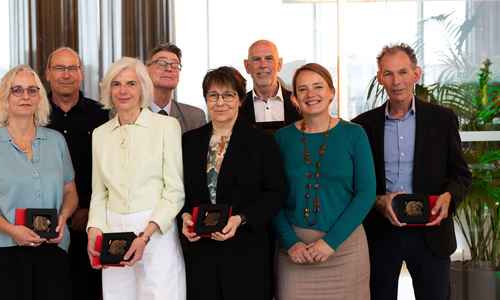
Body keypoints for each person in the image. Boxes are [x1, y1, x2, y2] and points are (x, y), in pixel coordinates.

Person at [352, 43, 471, 300]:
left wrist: (448, 198)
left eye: (403, 72)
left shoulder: (443, 119)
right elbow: (354, 183)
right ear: (379, 77)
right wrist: (377, 201)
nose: (396, 81)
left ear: (416, 74)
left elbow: (461, 175)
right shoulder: (362, 126)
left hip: (432, 233)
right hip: (381, 233)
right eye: (389, 73)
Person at [0, 64, 78, 299]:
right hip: (1, 248)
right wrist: (12, 231)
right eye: (17, 90)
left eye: (32, 90)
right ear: (4, 98)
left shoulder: (56, 141)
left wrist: (63, 217)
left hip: (52, 245)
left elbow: (70, 192)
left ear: (40, 97)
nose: (25, 96)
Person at [180, 66, 285, 300]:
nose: (220, 102)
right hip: (200, 254)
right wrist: (185, 216)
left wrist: (241, 219)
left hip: (246, 251)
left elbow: (276, 193)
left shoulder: (262, 142)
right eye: (213, 95)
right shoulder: (189, 142)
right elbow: (179, 191)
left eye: (228, 95)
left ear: (239, 99)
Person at [273, 63, 376, 299]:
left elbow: (366, 193)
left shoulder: (355, 134)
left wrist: (330, 242)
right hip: (294, 253)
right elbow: (272, 195)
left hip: (345, 248)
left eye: (318, 86)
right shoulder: (282, 138)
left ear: (332, 92)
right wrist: (290, 243)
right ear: (295, 98)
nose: (311, 94)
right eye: (303, 89)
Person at [86, 57, 186, 300]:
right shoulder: (99, 134)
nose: (123, 90)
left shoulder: (166, 126)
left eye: (131, 83)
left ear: (143, 88)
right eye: (116, 84)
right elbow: (99, 193)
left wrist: (145, 235)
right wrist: (94, 231)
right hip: (112, 233)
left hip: (155, 230)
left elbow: (174, 192)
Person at [44, 46, 108, 300]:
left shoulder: (101, 115)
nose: (66, 74)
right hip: (45, 226)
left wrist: (89, 209)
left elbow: (109, 169)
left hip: (90, 223)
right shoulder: (35, 115)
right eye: (60, 68)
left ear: (81, 74)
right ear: (48, 74)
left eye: (72, 68)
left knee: (88, 291)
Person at [239, 39, 300, 133]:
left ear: (279, 64)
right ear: (247, 66)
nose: (263, 65)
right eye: (256, 59)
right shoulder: (237, 107)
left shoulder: (300, 103)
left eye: (269, 58)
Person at [146, 43, 206, 133]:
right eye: (162, 63)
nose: (169, 69)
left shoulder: (195, 117)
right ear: (146, 70)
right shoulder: (132, 114)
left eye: (175, 64)